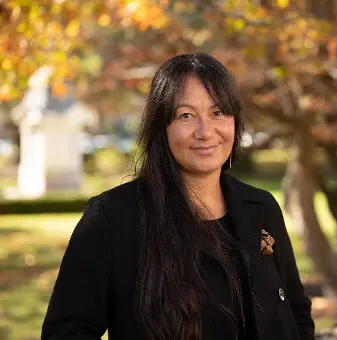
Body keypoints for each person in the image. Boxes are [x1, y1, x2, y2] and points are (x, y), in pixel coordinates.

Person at [41, 53, 315, 340]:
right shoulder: (112, 218)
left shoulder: (261, 207)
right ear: (162, 127)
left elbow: (297, 314)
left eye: (218, 112)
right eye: (186, 115)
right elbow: (67, 332)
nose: (206, 131)